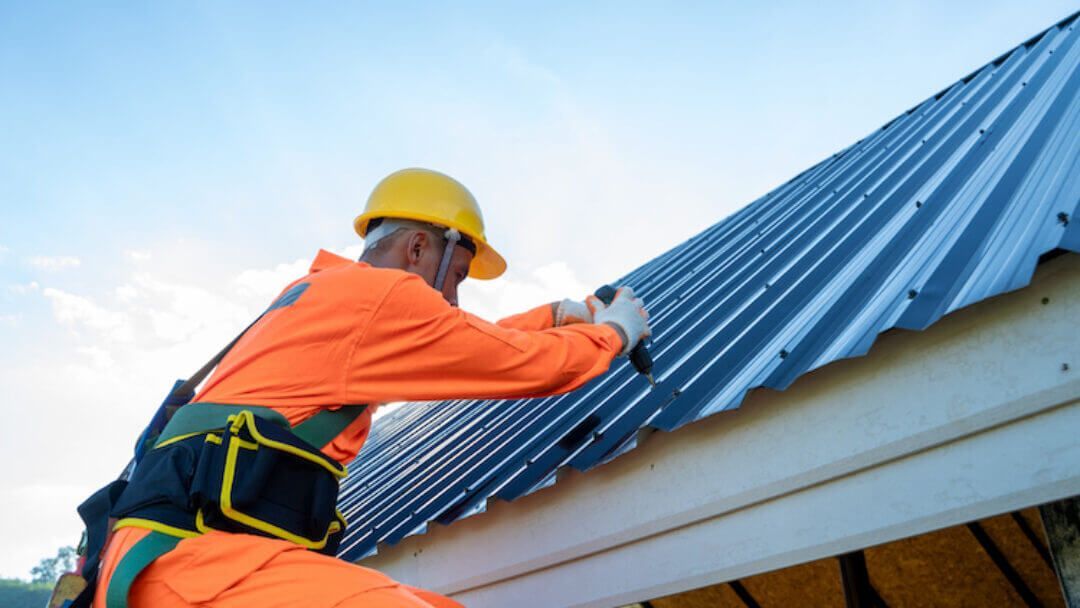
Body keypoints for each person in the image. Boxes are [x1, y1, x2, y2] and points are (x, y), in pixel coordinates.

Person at [90, 168, 651, 607]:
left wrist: (556, 314)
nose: (454, 299)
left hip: (165, 563)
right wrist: (614, 333)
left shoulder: (323, 296)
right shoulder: (384, 298)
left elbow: (461, 346)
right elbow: (522, 366)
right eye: (455, 276)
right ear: (417, 249)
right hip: (196, 564)